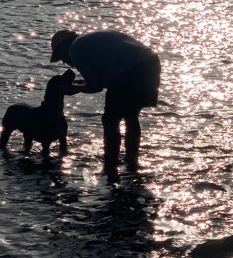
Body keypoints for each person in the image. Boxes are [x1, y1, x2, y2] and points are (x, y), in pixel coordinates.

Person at [49, 29, 160, 166]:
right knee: (131, 116)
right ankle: (132, 160)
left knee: (111, 119)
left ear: (63, 46)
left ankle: (110, 160)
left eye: (60, 56)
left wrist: (74, 89)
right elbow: (99, 80)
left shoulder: (75, 49)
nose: (64, 62)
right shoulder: (89, 40)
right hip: (150, 62)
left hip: (129, 70)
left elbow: (96, 86)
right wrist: (79, 85)